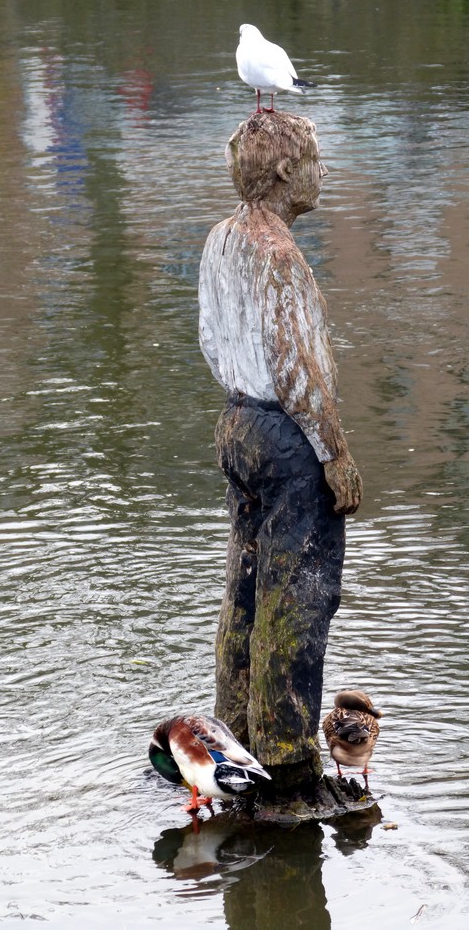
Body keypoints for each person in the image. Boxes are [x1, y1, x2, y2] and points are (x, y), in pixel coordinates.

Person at [198, 112, 362, 790]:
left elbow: (211, 341)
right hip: (289, 440)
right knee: (296, 601)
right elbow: (300, 374)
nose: (324, 171)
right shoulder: (281, 256)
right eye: (317, 160)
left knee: (244, 591)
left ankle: (232, 734)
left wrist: (244, 400)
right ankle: (287, 764)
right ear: (289, 171)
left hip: (237, 424)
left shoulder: (220, 239)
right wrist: (336, 454)